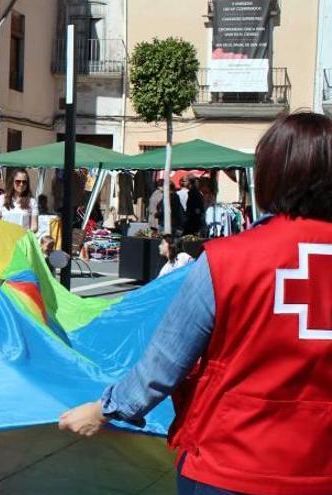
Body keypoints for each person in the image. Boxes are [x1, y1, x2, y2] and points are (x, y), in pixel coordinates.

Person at [58, 112, 332, 495]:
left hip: (228, 463)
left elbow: (166, 360)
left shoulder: (228, 260)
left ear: (272, 173)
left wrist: (106, 409)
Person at [0, 168, 38, 233]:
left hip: (22, 239)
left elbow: (34, 226)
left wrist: (26, 232)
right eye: (18, 181)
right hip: (4, 238)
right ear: (12, 182)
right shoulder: (2, 199)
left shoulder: (32, 201)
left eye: (24, 182)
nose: (21, 184)